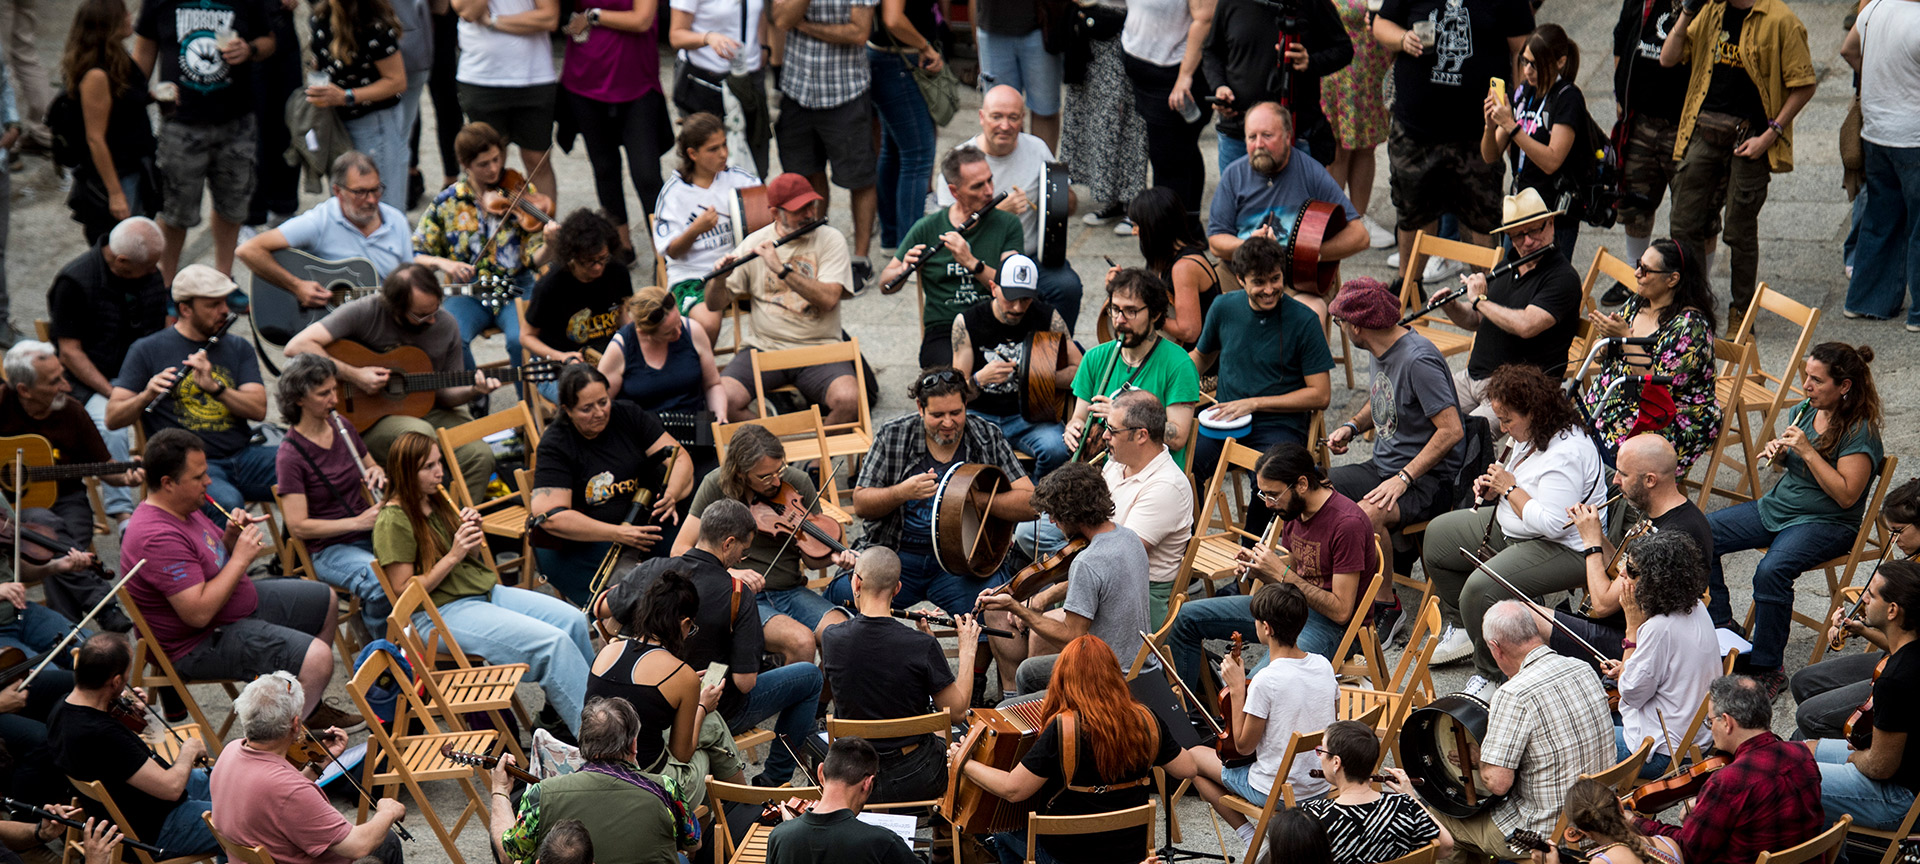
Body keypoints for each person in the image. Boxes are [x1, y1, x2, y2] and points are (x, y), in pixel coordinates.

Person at [120, 429, 358, 727]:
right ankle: (288, 742)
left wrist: (231, 538)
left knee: (325, 600)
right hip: (198, 643)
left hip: (233, 609)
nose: (208, 482)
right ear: (168, 483)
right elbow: (198, 613)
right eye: (199, 477)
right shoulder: (156, 535)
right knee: (318, 659)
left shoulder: (184, 506)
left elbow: (213, 560)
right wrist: (243, 557)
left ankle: (304, 712)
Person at [374, 430, 595, 738]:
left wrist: (472, 538)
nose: (439, 472)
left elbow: (468, 561)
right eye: (428, 467)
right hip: (439, 614)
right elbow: (402, 591)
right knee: (552, 645)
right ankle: (599, 742)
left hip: (483, 592)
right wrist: (454, 553)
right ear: (405, 472)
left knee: (573, 621)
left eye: (439, 463)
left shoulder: (434, 499)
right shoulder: (393, 520)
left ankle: (586, 717)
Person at [836, 368, 1036, 701]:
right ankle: (860, 696)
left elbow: (1029, 502)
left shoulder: (985, 434)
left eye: (956, 413)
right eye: (937, 415)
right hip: (898, 554)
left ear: (966, 406)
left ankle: (987, 696)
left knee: (997, 611)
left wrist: (974, 500)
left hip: (962, 562)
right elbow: (861, 502)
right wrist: (901, 492)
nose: (948, 422)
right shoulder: (894, 434)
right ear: (920, 409)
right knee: (843, 598)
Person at [601, 498, 822, 789]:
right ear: (728, 543)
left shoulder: (655, 568)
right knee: (810, 676)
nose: (743, 558)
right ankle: (774, 780)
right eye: (744, 550)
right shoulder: (736, 592)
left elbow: (602, 609)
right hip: (709, 707)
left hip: (646, 701)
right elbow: (744, 682)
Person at [1706, 342, 1883, 696]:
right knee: (1702, 532)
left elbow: (1847, 494)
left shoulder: (1859, 432)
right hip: (1781, 507)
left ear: (1844, 386)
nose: (1806, 386)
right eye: (1806, 376)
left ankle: (1769, 667)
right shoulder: (1805, 410)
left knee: (1772, 571)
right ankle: (1723, 625)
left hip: (1828, 523)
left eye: (1817, 380)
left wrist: (1806, 450)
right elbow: (1793, 465)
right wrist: (1781, 454)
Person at [1422, 364, 1606, 682]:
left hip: (1564, 547)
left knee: (1480, 590)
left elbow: (1553, 524)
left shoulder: (1567, 453)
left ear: (1533, 412)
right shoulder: (1533, 431)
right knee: (1437, 538)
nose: (1503, 428)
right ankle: (1470, 630)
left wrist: (1508, 488)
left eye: (1507, 419)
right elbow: (1523, 481)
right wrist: (1498, 485)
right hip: (1515, 527)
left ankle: (1492, 675)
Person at [950, 634, 1196, 864]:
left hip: (1070, 856)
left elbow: (1013, 790)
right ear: (1114, 675)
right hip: (1132, 853)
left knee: (1003, 831)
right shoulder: (1146, 720)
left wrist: (965, 762)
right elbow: (1187, 768)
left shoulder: (1064, 728)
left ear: (1063, 678)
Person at [1167, 442, 1377, 706]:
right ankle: (1195, 716)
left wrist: (1281, 573)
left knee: (1257, 685)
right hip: (1291, 608)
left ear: (1301, 484)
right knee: (1185, 617)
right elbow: (1302, 568)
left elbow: (1342, 611)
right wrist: (1262, 570)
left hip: (1335, 627)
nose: (1267, 504)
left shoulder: (1347, 524)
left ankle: (1240, 740)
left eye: (1273, 495)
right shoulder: (1293, 510)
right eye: (1263, 494)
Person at [285, 263, 501, 502]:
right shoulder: (366, 311)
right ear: (395, 309)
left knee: (479, 454)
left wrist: (473, 390)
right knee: (420, 437)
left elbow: (445, 394)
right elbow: (297, 346)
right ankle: (416, 524)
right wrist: (355, 374)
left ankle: (455, 527)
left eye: (435, 310)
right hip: (367, 420)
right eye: (421, 315)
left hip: (427, 410)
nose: (432, 321)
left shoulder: (445, 324)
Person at [1658, 0, 1815, 323]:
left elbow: (1804, 84)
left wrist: (1771, 134)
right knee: (1683, 223)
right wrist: (1687, 11)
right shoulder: (1709, 11)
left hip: (1751, 139)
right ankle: (1694, 308)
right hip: (1704, 132)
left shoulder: (1781, 20)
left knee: (1739, 233)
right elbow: (1668, 58)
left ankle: (1741, 313)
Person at [1430, 601, 1612, 862]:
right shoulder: (1582, 667)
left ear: (1496, 648)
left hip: (1548, 834)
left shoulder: (1513, 694)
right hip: (1602, 818)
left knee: (1437, 819)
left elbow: (1497, 783)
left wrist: (1477, 758)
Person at [1370, 0, 1532, 282]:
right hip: (1415, 129)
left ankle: (1487, 299)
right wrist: (1402, 38)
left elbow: (1522, 48)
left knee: (1481, 217)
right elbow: (1381, 25)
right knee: (1412, 214)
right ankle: (1408, 290)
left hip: (1478, 133)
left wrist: (1518, 109)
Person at [669, 424, 852, 665]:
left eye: (780, 470)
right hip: (740, 596)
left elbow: (810, 558)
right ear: (740, 472)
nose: (776, 481)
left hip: (790, 590)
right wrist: (730, 573)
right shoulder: (715, 485)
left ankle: (820, 702)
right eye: (765, 476)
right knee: (801, 642)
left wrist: (832, 556)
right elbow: (679, 550)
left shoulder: (797, 483)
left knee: (843, 637)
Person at [1325, 278, 1466, 590]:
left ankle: (1386, 604)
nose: (1341, 329)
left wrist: (1403, 478)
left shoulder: (1418, 360)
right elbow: (1382, 397)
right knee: (1316, 489)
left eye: (1340, 322)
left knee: (1366, 514)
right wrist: (1351, 427)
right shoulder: (1381, 348)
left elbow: (1452, 429)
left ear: (1357, 326)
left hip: (1429, 480)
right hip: (1384, 468)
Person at [107, 265, 277, 514]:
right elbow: (113, 418)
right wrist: (146, 395)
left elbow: (258, 409)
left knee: (313, 468)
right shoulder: (146, 350)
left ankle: (299, 552)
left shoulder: (238, 347)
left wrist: (215, 388)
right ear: (185, 309)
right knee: (227, 504)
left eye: (224, 302)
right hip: (190, 469)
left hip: (245, 455)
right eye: (213, 305)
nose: (224, 311)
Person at [1018, 390, 1193, 629]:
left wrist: (1044, 596)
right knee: (1008, 615)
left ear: (1141, 435)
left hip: (1138, 593)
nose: (1105, 436)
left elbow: (1114, 561)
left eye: (1113, 430)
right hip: (1101, 570)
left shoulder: (1167, 487)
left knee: (1039, 630)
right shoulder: (1117, 461)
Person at [131, 0, 275, 281]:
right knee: (174, 213)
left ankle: (222, 281)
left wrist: (250, 49)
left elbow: (269, 40)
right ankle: (165, 288)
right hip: (180, 124)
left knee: (232, 208)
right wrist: (133, 99)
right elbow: (144, 50)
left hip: (236, 122)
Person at [979, 462, 1149, 697]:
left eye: (1054, 515)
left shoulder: (1087, 561)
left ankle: (1024, 720)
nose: (1052, 522)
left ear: (1072, 514)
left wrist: (1019, 609)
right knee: (1028, 671)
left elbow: (1071, 637)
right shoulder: (1128, 537)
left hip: (1106, 680)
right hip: (1141, 667)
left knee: (1004, 709)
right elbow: (1101, 584)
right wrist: (1042, 595)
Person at [821, 549, 977, 803]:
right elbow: (957, 711)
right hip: (916, 776)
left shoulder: (832, 637)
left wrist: (923, 639)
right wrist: (967, 650)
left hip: (853, 775)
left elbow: (878, 659)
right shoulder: (919, 646)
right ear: (897, 589)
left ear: (857, 583)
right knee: (958, 734)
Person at [0, 341, 143, 618]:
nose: (66, 386)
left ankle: (69, 636)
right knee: (46, 525)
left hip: (67, 500)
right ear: (24, 390)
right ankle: (102, 607)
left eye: (63, 375)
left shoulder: (71, 411)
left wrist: (127, 478)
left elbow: (105, 467)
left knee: (54, 541)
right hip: (9, 511)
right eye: (54, 381)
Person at [706, 172, 862, 425]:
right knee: (721, 400)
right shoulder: (754, 243)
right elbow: (713, 304)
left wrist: (782, 270)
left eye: (811, 205)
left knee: (850, 399)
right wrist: (719, 279)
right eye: (799, 209)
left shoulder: (830, 239)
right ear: (776, 213)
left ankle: (813, 463)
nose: (809, 214)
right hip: (764, 347)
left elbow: (829, 299)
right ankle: (776, 455)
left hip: (820, 347)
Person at [530, 365, 694, 605]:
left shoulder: (626, 414)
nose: (599, 413)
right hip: (585, 544)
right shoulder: (556, 443)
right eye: (586, 408)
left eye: (603, 402)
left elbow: (678, 457)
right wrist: (618, 533)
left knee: (696, 568)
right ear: (567, 410)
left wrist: (672, 493)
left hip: (641, 523)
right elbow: (550, 516)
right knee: (648, 600)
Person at [1187, 583, 1337, 842]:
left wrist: (1236, 690)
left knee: (1192, 760)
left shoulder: (1266, 680)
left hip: (1275, 792)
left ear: (1266, 628)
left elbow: (1244, 747)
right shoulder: (1323, 665)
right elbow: (1330, 719)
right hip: (1322, 784)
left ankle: (1249, 838)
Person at [586, 567, 746, 808]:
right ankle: (742, 807)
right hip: (649, 782)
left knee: (707, 726)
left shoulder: (607, 652)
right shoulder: (681, 674)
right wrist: (702, 704)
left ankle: (735, 810)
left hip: (600, 769)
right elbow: (682, 754)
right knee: (711, 729)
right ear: (685, 623)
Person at [209, 672, 406, 864]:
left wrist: (320, 765)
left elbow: (279, 800)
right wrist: (387, 812)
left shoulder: (230, 751)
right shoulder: (289, 791)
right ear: (295, 725)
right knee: (387, 841)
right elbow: (357, 846)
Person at [48, 634, 217, 856]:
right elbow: (172, 789)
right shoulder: (101, 735)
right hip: (155, 828)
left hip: (139, 802)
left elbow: (148, 737)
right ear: (116, 681)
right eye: (126, 676)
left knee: (232, 780)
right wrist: (188, 750)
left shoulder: (62, 708)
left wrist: (138, 714)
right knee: (249, 822)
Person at [46, 216, 168, 523]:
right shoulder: (75, 282)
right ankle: (124, 514)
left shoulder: (149, 274)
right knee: (111, 425)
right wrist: (116, 393)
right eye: (150, 265)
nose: (155, 271)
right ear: (123, 261)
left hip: (140, 372)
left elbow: (159, 328)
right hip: (93, 380)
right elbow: (70, 353)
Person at [1188, 236, 1335, 484]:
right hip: (1227, 421)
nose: (1269, 290)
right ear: (1240, 280)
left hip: (1279, 425)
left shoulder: (1304, 320)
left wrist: (1253, 404)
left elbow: (1320, 395)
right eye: (1258, 282)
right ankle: (1192, 524)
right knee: (1184, 469)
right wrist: (1165, 380)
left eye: (1275, 279)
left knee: (1272, 481)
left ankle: (1257, 526)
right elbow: (1200, 358)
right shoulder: (1223, 307)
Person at [1558, 434, 1717, 662]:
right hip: (1624, 632)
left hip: (1631, 645)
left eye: (1623, 474)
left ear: (1650, 480)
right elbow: (1622, 567)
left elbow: (1602, 604)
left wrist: (1591, 544)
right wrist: (1597, 535)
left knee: (1524, 619)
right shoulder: (1659, 511)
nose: (1615, 481)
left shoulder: (1673, 536)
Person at [934, 87, 1085, 326]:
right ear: (982, 117)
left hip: (1031, 257)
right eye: (997, 117)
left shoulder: (1036, 149)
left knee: (1067, 287)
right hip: (981, 257)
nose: (1005, 125)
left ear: (1022, 119)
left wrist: (1058, 200)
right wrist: (998, 213)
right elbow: (946, 230)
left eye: (1013, 117)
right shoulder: (959, 162)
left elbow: (1071, 204)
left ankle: (1052, 353)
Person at [1633, 675, 1823, 864]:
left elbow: (1689, 851)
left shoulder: (1728, 782)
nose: (1711, 728)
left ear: (1726, 721)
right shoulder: (1801, 754)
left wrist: (1634, 822)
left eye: (1710, 722)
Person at [1204, 103, 1369, 321]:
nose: (1259, 144)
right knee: (1202, 300)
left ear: (1287, 137)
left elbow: (1360, 236)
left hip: (1295, 281)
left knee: (1307, 315)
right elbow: (1216, 242)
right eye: (1252, 137)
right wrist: (1249, 247)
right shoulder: (1234, 175)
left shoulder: (1311, 172)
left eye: (1267, 136)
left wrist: (1308, 255)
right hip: (1241, 277)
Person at [412, 121, 556, 369]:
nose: (494, 169)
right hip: (469, 292)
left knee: (520, 340)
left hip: (515, 287)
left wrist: (551, 245)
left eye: (496, 159)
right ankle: (474, 398)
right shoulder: (447, 202)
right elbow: (416, 253)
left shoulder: (521, 190)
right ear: (465, 165)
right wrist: (444, 264)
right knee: (451, 337)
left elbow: (533, 259)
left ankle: (528, 405)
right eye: (483, 164)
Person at [490, 698, 702, 864]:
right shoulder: (666, 788)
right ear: (633, 745)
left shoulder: (541, 794)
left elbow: (509, 854)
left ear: (583, 745)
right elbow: (693, 843)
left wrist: (499, 790)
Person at [1441, 189, 1585, 429]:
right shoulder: (1508, 264)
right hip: (1472, 378)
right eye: (1518, 235)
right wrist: (1451, 306)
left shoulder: (1563, 278)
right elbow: (1476, 319)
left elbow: (1527, 325)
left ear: (1550, 224)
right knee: (1420, 409)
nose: (1527, 242)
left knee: (1466, 437)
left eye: (1535, 230)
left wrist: (1480, 300)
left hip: (1518, 391)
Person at [1792, 478, 1920, 740]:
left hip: (1907, 672)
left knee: (1808, 718)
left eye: (1897, 531)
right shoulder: (1912, 562)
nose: (1893, 542)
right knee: (1802, 682)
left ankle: (1858, 743)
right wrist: (1859, 626)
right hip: (1892, 656)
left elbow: (1907, 650)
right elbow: (1895, 640)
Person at [274, 353, 391, 638]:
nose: (334, 400)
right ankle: (381, 651)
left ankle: (416, 641)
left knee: (424, 554)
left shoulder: (342, 427)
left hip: (367, 530)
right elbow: (299, 525)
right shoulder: (290, 455)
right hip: (329, 548)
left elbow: (372, 465)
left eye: (334, 390)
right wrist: (357, 523)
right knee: (381, 582)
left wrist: (378, 474)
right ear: (299, 399)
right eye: (324, 393)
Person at [1589, 531, 1720, 780]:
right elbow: (1665, 670)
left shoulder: (1657, 628)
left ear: (1657, 580)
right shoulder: (1697, 606)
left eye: (1631, 570)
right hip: (1694, 738)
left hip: (1663, 752)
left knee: (1570, 738)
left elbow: (1631, 693)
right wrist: (1631, 665)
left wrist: (1632, 630)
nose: (1622, 573)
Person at [1580, 238, 1720, 471]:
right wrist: (1607, 342)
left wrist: (1625, 338)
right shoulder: (1638, 302)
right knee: (1565, 436)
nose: (1636, 273)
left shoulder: (1691, 326)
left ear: (1672, 279)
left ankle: (1613, 501)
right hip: (1619, 400)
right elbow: (1600, 357)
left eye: (1645, 270)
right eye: (1638, 264)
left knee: (1596, 459)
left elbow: (1655, 389)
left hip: (1668, 415)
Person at [769, 0, 880, 289]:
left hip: (845, 90)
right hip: (797, 89)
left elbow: (858, 32)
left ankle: (860, 259)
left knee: (860, 177)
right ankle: (817, 246)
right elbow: (781, 19)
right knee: (807, 175)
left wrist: (804, 26)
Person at [884, 147, 1026, 368]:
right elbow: (885, 285)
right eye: (978, 186)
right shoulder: (927, 228)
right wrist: (902, 270)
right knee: (950, 380)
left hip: (993, 320)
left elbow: (1011, 286)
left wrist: (972, 263)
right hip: (944, 328)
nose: (989, 191)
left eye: (990, 181)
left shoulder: (1007, 224)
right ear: (954, 191)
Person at [1804, 560, 1920, 830]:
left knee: (1788, 781)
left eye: (1872, 593)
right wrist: (1863, 629)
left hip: (1900, 798)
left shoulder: (1895, 680)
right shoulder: (1912, 646)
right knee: (1797, 752)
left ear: (1892, 610)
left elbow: (1880, 766)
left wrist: (1856, 758)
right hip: (1903, 775)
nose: (1863, 597)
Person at [560, 0, 672, 266]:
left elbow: (642, 19)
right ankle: (621, 246)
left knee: (646, 174)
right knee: (605, 168)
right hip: (585, 80)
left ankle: (665, 248)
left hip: (635, 81)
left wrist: (593, 16)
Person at [236, 152, 415, 318]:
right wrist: (296, 286)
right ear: (338, 191)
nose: (371, 200)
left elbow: (410, 278)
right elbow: (248, 250)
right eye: (360, 192)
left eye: (376, 189)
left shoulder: (396, 220)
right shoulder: (318, 222)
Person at [951, 254, 1081, 477]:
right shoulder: (968, 322)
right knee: (954, 453)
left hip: (1031, 416)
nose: (1018, 307)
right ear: (993, 288)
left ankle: (1037, 503)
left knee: (1058, 450)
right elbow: (955, 392)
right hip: (980, 414)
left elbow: (1081, 372)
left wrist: (1038, 375)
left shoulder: (1047, 317)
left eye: (1025, 299)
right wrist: (979, 379)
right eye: (1010, 298)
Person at [1603, 0, 1696, 308]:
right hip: (1640, 120)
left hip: (1685, 124)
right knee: (1634, 204)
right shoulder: (1641, 1)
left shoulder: (1703, 5)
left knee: (1694, 213)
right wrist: (1621, 93)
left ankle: (1694, 291)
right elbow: (1621, 40)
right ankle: (1636, 274)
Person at [1064, 269, 1200, 466]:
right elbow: (1079, 416)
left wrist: (1124, 417)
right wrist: (1074, 427)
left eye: (1131, 311)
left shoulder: (1179, 364)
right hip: (1099, 473)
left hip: (1152, 476)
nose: (1119, 320)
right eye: (1115, 309)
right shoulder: (1094, 358)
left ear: (1155, 314)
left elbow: (1178, 436)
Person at [1479, 24, 1592, 254]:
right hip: (1520, 212)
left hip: (1550, 217)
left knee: (1545, 286)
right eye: (1524, 61)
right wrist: (1490, 127)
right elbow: (1490, 156)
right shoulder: (1525, 92)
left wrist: (1511, 126)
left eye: (1536, 64)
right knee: (1513, 282)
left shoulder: (1568, 98)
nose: (1528, 70)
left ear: (1560, 62)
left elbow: (1551, 161)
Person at [1842, 0, 1920, 325]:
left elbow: (1848, 50)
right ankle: (1918, 314)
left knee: (1880, 217)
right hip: (1913, 137)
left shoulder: (1874, 7)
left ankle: (1866, 300)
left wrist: (1879, 76)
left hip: (1876, 132)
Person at [1202, 0, 1350, 169]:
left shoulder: (1312, 4)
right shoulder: (1230, 3)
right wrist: (1219, 86)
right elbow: (1211, 51)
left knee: (1298, 196)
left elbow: (1343, 49)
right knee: (1239, 195)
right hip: (1238, 135)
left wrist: (1310, 61)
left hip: (1296, 133)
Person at [653, 113, 762, 337]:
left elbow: (767, 220)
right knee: (707, 324)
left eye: (724, 145)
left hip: (742, 269)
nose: (724, 154)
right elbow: (672, 252)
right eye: (713, 149)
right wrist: (695, 230)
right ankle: (704, 370)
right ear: (692, 154)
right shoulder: (674, 194)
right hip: (696, 276)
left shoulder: (741, 180)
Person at [58, 0, 158, 245]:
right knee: (121, 247)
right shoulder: (96, 75)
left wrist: (151, 97)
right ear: (109, 24)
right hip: (119, 176)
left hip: (135, 166)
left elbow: (122, 105)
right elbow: (95, 138)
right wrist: (115, 194)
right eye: (123, 13)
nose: (129, 16)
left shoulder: (117, 59)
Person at [450, 0, 560, 206]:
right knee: (486, 164)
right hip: (481, 77)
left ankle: (547, 233)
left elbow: (549, 17)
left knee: (538, 161)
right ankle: (487, 232)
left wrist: (494, 21)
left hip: (534, 76)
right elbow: (469, 11)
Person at [519, 209, 633, 401]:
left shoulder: (617, 271)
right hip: (559, 369)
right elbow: (526, 337)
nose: (598, 267)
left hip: (607, 360)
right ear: (572, 256)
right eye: (589, 262)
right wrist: (560, 356)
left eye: (602, 259)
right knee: (589, 403)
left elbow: (621, 315)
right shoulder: (551, 285)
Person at [1060, 0, 1149, 236]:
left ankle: (1134, 203)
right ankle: (1113, 200)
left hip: (1128, 34)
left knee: (1128, 122)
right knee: (1097, 121)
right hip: (1090, 34)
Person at [1305, 719, 1449, 864]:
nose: (1320, 756)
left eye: (1321, 751)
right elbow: (1446, 847)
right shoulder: (1405, 806)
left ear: (1336, 762)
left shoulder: (1314, 816)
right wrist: (1412, 799)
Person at [1121, 0, 1213, 216]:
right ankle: (1188, 228)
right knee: (1180, 152)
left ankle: (1172, 237)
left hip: (1174, 74)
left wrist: (1185, 76)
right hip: (1143, 68)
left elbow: (1205, 18)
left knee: (1169, 162)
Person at [308, 0, 409, 193]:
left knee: (378, 199)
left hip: (374, 124)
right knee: (345, 196)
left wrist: (346, 96)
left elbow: (397, 81)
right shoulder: (321, 17)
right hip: (336, 122)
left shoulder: (372, 24)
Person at [1319, 0, 1396, 250]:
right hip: (1339, 71)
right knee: (1339, 148)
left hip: (1373, 68)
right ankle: (1334, 220)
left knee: (1366, 146)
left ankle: (1359, 219)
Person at [766, 737, 918, 863]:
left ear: (820, 773)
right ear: (867, 783)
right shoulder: (883, 843)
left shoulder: (779, 837)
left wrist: (790, 827)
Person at [665, 1, 772, 178]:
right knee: (709, 166)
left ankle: (750, 203)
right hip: (706, 84)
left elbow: (758, 12)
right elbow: (676, 36)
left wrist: (763, 46)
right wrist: (708, 38)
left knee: (755, 166)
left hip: (748, 80)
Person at [868, 0, 940, 261]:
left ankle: (891, 239)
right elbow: (893, 19)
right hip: (898, 60)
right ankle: (909, 253)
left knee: (895, 150)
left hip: (889, 57)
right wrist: (925, 46)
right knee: (918, 155)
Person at [1128, 187, 1220, 348]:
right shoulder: (1161, 259)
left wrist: (1148, 316)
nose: (1134, 232)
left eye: (1137, 225)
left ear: (1153, 228)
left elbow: (1189, 331)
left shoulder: (1184, 268)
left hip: (1200, 364)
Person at [970, 0, 1061, 152]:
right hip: (992, 27)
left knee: (1045, 110)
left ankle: (1045, 171)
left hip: (1041, 25)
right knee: (1001, 115)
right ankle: (1010, 170)